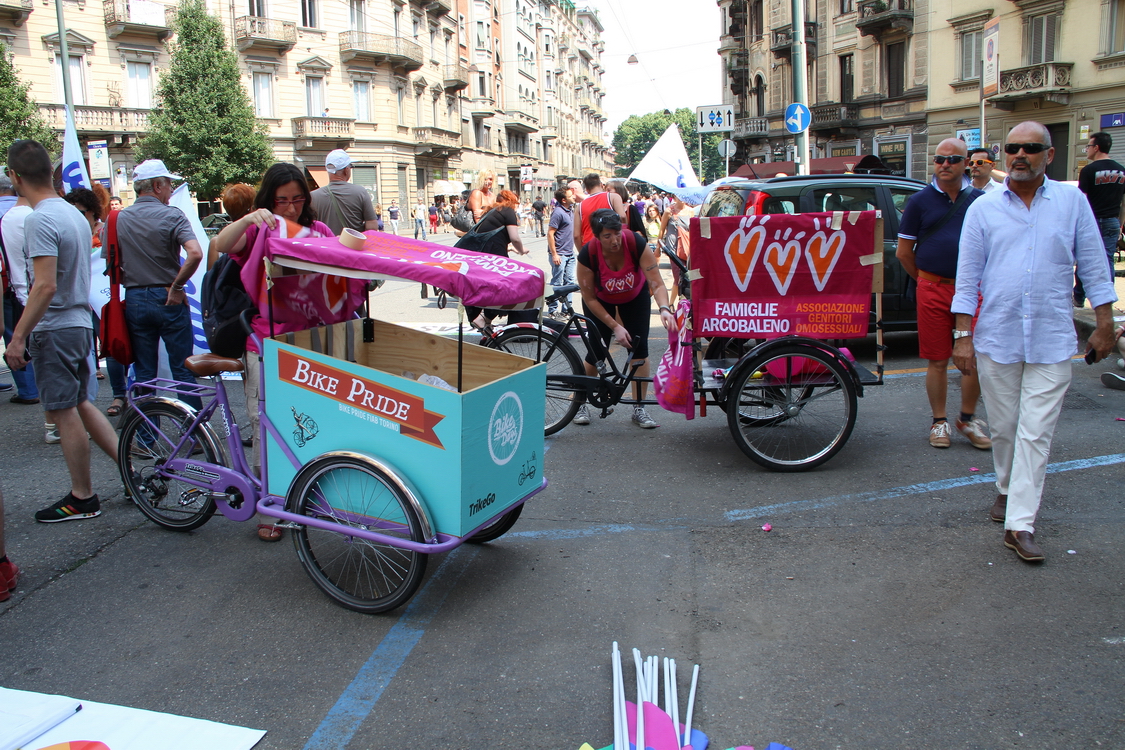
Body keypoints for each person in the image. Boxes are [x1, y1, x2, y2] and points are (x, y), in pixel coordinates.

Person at [952, 121, 1117, 563]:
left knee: (1035, 432)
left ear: (1049, 155)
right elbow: (966, 280)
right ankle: (1006, 490)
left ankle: (1019, 524)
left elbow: (1096, 267)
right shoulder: (983, 209)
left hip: (1052, 337)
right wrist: (962, 337)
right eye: (1013, 148)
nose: (1020, 155)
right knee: (1005, 428)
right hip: (997, 338)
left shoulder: (1072, 202)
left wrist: (1104, 324)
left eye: (1031, 148)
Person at [212, 162, 352, 542]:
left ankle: (308, 492)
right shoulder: (260, 229)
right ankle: (269, 504)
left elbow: (343, 266)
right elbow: (220, 245)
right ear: (268, 200)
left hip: (310, 340)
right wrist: (246, 220)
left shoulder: (318, 230)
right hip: (266, 342)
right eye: (281, 201)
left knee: (313, 420)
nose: (289, 209)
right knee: (265, 421)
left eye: (297, 199)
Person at [3, 140, 118, 523]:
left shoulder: (39, 218)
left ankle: (82, 496)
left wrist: (18, 335)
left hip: (55, 326)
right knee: (82, 403)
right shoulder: (72, 214)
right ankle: (132, 473)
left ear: (15, 177)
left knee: (63, 409)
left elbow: (45, 285)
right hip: (79, 322)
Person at [895, 138, 990, 450]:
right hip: (933, 288)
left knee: (971, 356)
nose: (944, 165)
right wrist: (926, 280)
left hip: (972, 290)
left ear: (966, 164)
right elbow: (904, 253)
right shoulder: (919, 202)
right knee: (937, 359)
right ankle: (939, 422)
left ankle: (967, 418)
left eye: (952, 160)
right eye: (939, 160)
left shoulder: (980, 200)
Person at [116, 159, 205, 411]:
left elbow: (113, 262)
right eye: (167, 185)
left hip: (135, 297)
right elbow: (195, 253)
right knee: (182, 368)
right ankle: (195, 432)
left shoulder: (120, 218)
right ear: (156, 186)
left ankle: (145, 437)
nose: (169, 191)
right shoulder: (172, 215)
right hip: (168, 296)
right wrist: (178, 287)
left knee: (144, 371)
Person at [574, 209, 675, 429]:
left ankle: (639, 408)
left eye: (617, 233)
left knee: (640, 352)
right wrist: (615, 327)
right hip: (600, 302)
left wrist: (665, 308)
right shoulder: (588, 254)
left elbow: (656, 282)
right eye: (607, 236)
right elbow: (589, 298)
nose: (615, 240)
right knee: (596, 352)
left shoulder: (635, 243)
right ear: (597, 237)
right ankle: (580, 402)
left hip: (634, 297)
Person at [462, 189, 529, 330]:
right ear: (511, 201)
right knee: (508, 287)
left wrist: (509, 248)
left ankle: (485, 322)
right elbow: (515, 237)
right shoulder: (508, 210)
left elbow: (492, 236)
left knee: (488, 287)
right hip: (494, 256)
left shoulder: (492, 211)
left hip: (483, 255)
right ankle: (484, 318)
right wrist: (522, 250)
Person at [1074, 132, 1125, 308]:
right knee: (1107, 260)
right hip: (1112, 221)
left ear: (1096, 148)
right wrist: (1120, 224)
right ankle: (1106, 300)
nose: (1086, 149)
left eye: (1088, 146)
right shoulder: (1121, 170)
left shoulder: (1088, 170)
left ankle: (1079, 297)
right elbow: (1123, 202)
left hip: (1091, 221)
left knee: (1084, 258)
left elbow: (1083, 200)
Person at [310, 149, 378, 236]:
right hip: (352, 248)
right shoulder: (360, 192)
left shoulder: (313, 196)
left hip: (326, 248)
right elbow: (372, 227)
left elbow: (310, 229)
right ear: (346, 170)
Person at [0, 175, 25, 398]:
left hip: (6, 283)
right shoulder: (27, 211)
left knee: (12, 333)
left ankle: (28, 388)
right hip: (23, 285)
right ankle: (29, 388)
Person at [573, 173, 628, 253]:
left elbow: (576, 235)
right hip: (610, 246)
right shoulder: (613, 197)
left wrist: (582, 253)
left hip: (590, 247)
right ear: (601, 185)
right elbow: (622, 217)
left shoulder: (580, 206)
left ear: (587, 189)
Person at [546, 187, 576, 318]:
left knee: (570, 282)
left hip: (569, 253)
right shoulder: (558, 212)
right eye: (571, 195)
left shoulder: (570, 210)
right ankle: (552, 310)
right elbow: (550, 233)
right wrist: (554, 254)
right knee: (557, 283)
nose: (574, 197)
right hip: (560, 254)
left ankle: (566, 310)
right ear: (564, 200)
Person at [659, 197, 692, 305]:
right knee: (678, 277)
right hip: (673, 250)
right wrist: (658, 247)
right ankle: (678, 303)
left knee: (685, 278)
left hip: (687, 249)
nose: (681, 198)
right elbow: (662, 229)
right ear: (675, 196)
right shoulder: (669, 211)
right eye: (679, 196)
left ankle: (672, 303)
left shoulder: (691, 211)